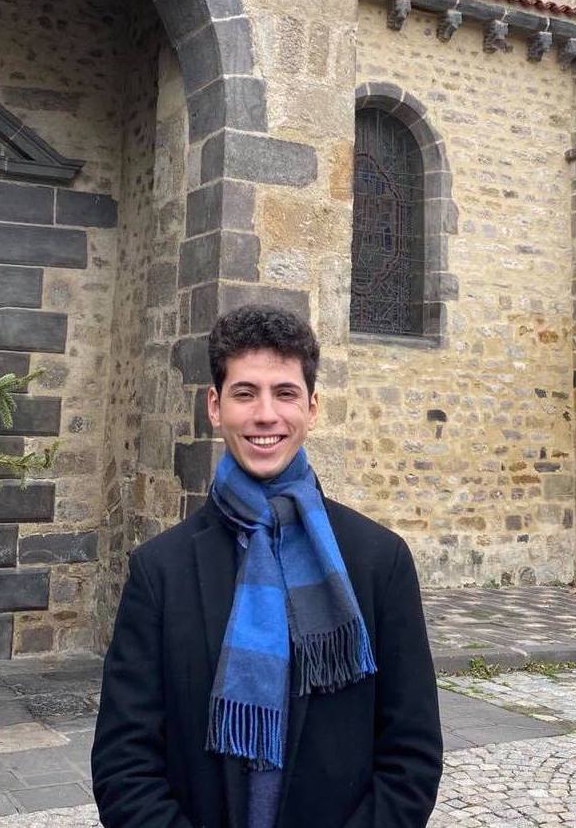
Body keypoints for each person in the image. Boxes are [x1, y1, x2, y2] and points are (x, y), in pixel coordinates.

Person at [92, 304, 443, 828]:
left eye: (285, 393)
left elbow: (410, 754)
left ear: (313, 407)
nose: (265, 415)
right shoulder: (160, 571)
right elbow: (125, 762)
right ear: (214, 406)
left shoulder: (377, 561)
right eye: (244, 393)